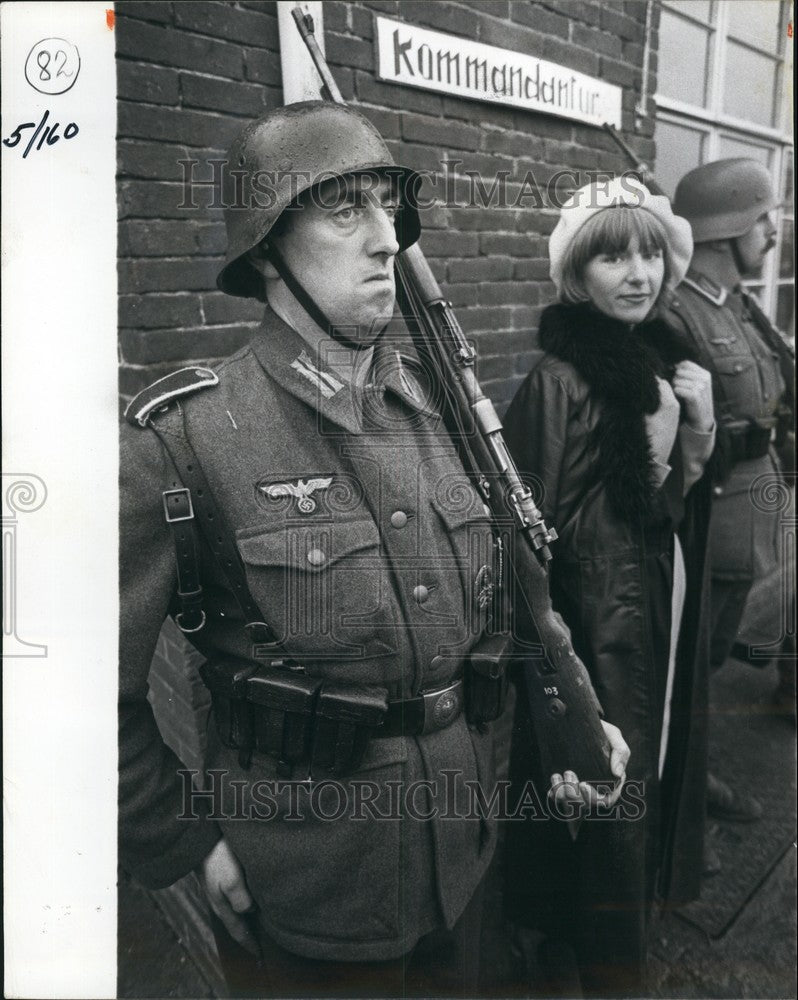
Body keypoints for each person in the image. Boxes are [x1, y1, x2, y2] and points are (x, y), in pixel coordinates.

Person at [119, 102, 628, 998]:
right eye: (345, 208)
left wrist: (574, 716)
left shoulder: (442, 412)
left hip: (462, 857)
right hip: (309, 885)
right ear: (269, 247)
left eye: (388, 207)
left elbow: (512, 605)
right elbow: (81, 694)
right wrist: (187, 840)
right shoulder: (188, 439)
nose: (387, 239)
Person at [502, 177, 714, 997]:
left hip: (650, 603)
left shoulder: (656, 366)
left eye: (650, 252)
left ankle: (601, 940)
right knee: (599, 788)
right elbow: (527, 533)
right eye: (614, 256)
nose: (638, 273)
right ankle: (592, 959)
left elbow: (661, 502)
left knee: (638, 772)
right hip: (591, 626)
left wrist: (693, 421)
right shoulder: (561, 382)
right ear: (576, 278)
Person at [666, 158, 795, 821]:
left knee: (724, 650)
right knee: (694, 664)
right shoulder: (678, 312)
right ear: (726, 230)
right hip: (716, 515)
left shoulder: (739, 305)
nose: (774, 232)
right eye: (764, 218)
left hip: (759, 499)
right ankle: (682, 799)